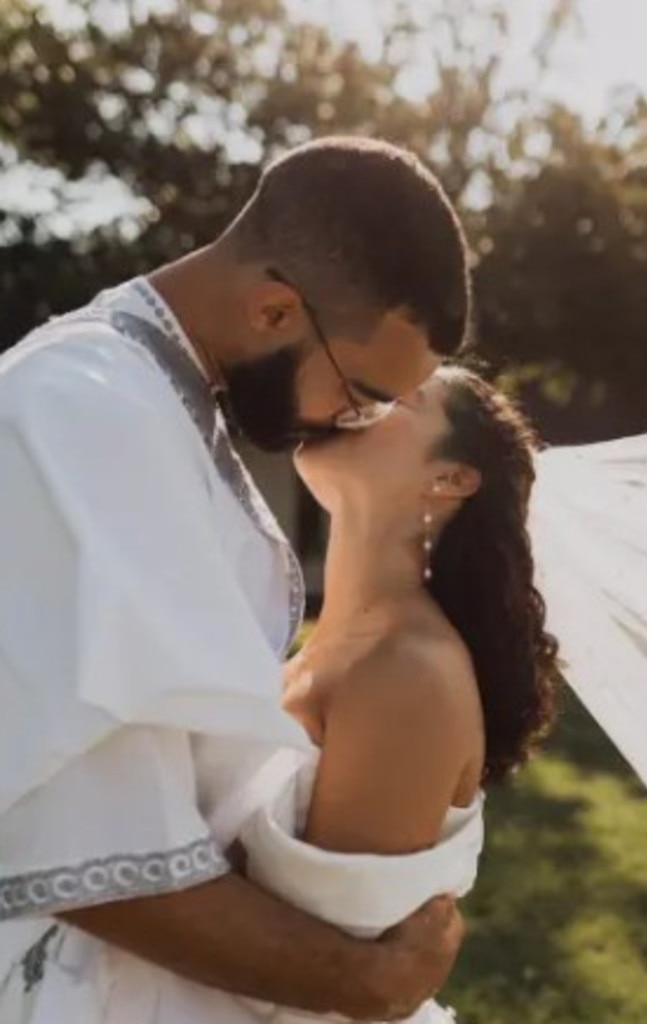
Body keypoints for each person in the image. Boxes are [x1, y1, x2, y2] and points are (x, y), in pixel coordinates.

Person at [0, 135, 473, 1022]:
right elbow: (80, 845)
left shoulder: (163, 397)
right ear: (272, 312)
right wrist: (353, 983)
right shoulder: (78, 412)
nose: (353, 422)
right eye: (362, 391)